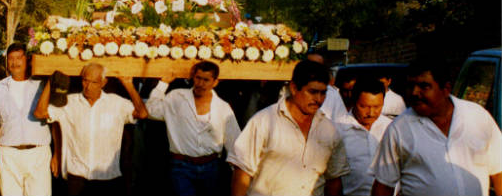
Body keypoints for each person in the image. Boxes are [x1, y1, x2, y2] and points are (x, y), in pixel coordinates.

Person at [371, 59, 502, 196]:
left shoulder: (477, 117)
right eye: (411, 85)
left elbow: (499, 171)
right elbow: (383, 186)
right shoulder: (399, 129)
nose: (415, 92)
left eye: (424, 86)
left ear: (446, 89)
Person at [228, 60, 349, 196]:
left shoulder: (329, 131)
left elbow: (334, 180)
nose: (319, 99)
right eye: (313, 92)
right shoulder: (264, 122)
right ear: (294, 88)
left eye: (323, 93)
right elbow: (242, 172)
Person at [33, 63, 147, 196]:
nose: (88, 86)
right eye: (85, 80)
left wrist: (128, 84)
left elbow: (142, 113)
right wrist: (50, 82)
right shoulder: (69, 103)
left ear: (103, 82)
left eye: (94, 82)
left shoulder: (117, 103)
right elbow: (40, 113)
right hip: (77, 177)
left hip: (108, 177)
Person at [146, 61, 241, 196]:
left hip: (211, 167)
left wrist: (237, 173)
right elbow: (151, 111)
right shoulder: (177, 97)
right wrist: (163, 84)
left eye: (206, 80)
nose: (200, 83)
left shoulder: (223, 107)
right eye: (198, 78)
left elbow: (234, 140)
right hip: (180, 166)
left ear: (215, 82)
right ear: (193, 77)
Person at [0, 43, 52, 196]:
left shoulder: (42, 85)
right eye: (11, 58)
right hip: (8, 155)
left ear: (28, 60)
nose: (15, 62)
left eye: (19, 58)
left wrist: (57, 153)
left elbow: (55, 121)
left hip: (38, 153)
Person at [334, 79, 392, 196]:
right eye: (364, 106)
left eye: (377, 107)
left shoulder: (391, 128)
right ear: (354, 101)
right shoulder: (337, 130)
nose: (371, 113)